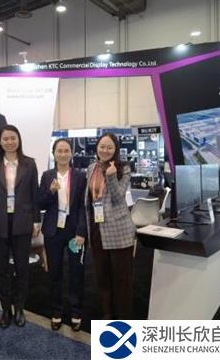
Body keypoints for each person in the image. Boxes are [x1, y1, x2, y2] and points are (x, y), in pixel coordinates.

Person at [0, 125, 40, 329]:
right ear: (0, 141)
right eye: (5, 138)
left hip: (22, 221)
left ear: (18, 139)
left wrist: (36, 221)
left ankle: (20, 307)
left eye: (13, 138)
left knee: (22, 268)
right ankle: (6, 309)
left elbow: (34, 194)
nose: (9, 142)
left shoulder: (29, 164)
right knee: (1, 268)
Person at [85, 133, 136, 320]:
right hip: (97, 229)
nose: (105, 150)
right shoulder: (92, 168)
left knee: (121, 279)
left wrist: (112, 176)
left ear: (115, 150)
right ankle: (107, 314)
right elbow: (90, 199)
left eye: (109, 147)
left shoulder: (124, 168)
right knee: (102, 276)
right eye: (102, 146)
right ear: (97, 147)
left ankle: (123, 317)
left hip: (118, 230)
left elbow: (118, 198)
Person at [38, 138, 87, 331]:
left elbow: (83, 207)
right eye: (59, 151)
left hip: (74, 231)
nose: (63, 154)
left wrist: (82, 231)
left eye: (67, 150)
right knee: (55, 272)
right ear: (54, 153)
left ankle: (76, 312)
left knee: (77, 272)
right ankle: (56, 311)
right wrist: (50, 191)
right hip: (53, 230)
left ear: (71, 153)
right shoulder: (47, 176)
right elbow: (40, 203)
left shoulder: (80, 176)